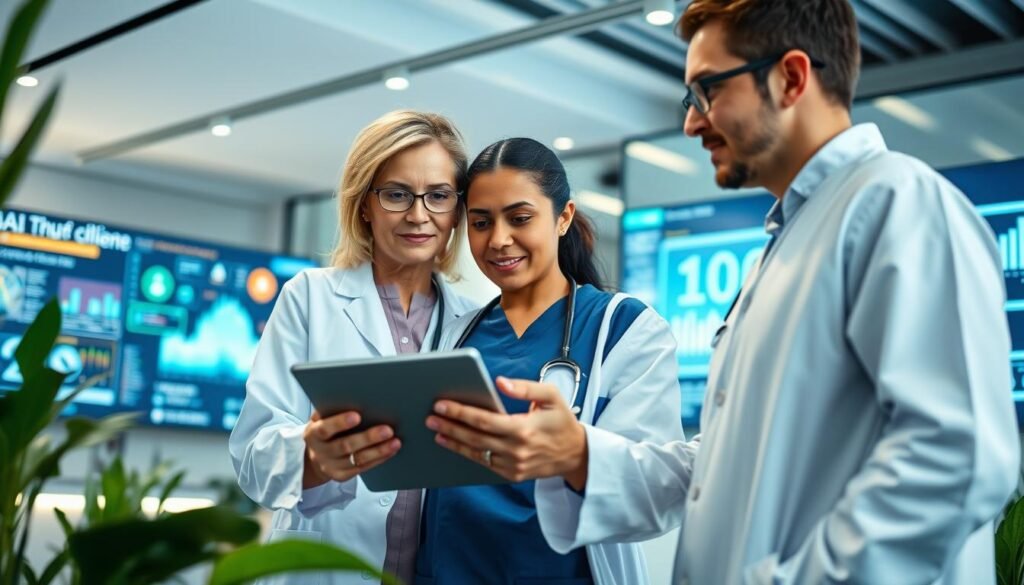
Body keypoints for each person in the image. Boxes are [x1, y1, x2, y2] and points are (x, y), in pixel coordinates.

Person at [433, 1, 1021, 583]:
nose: (692, 122)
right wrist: (580, 456)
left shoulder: (898, 204)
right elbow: (718, 465)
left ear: (791, 77)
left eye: (707, 90)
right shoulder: (789, 245)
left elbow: (953, 457)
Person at [229, 110, 478, 585]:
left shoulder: (475, 323)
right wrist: (312, 457)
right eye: (397, 194)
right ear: (364, 203)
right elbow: (252, 454)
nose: (418, 214)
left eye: (439, 196)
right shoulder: (309, 297)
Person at [420, 137, 684, 584]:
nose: (499, 240)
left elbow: (662, 487)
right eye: (481, 222)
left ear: (563, 218)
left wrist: (576, 452)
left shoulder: (622, 328)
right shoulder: (452, 334)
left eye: (520, 218)